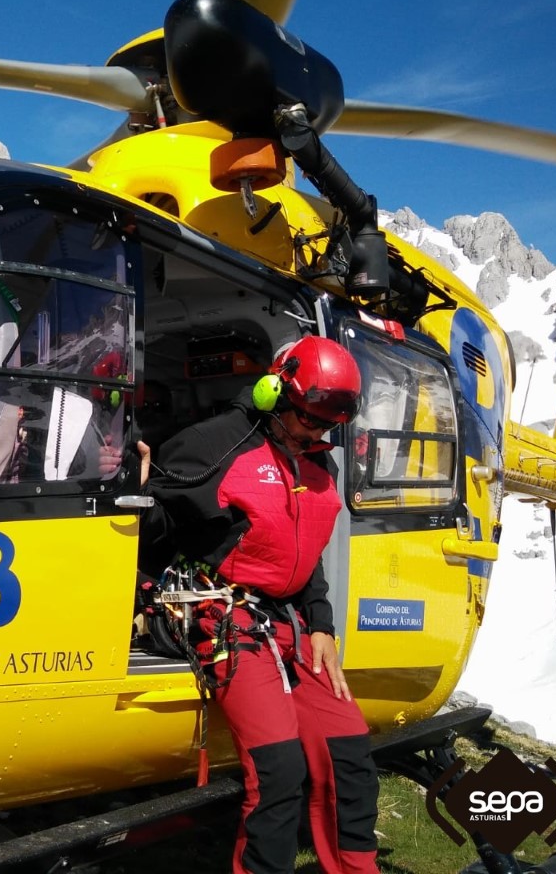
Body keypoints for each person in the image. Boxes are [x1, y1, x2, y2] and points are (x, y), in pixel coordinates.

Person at [135, 334, 379, 874]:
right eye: (309, 419)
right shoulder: (218, 444)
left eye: (329, 424)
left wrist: (321, 624)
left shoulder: (319, 464)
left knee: (352, 758)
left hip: (292, 622)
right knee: (279, 771)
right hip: (227, 618)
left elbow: (305, 548)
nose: (317, 432)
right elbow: (155, 528)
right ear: (274, 395)